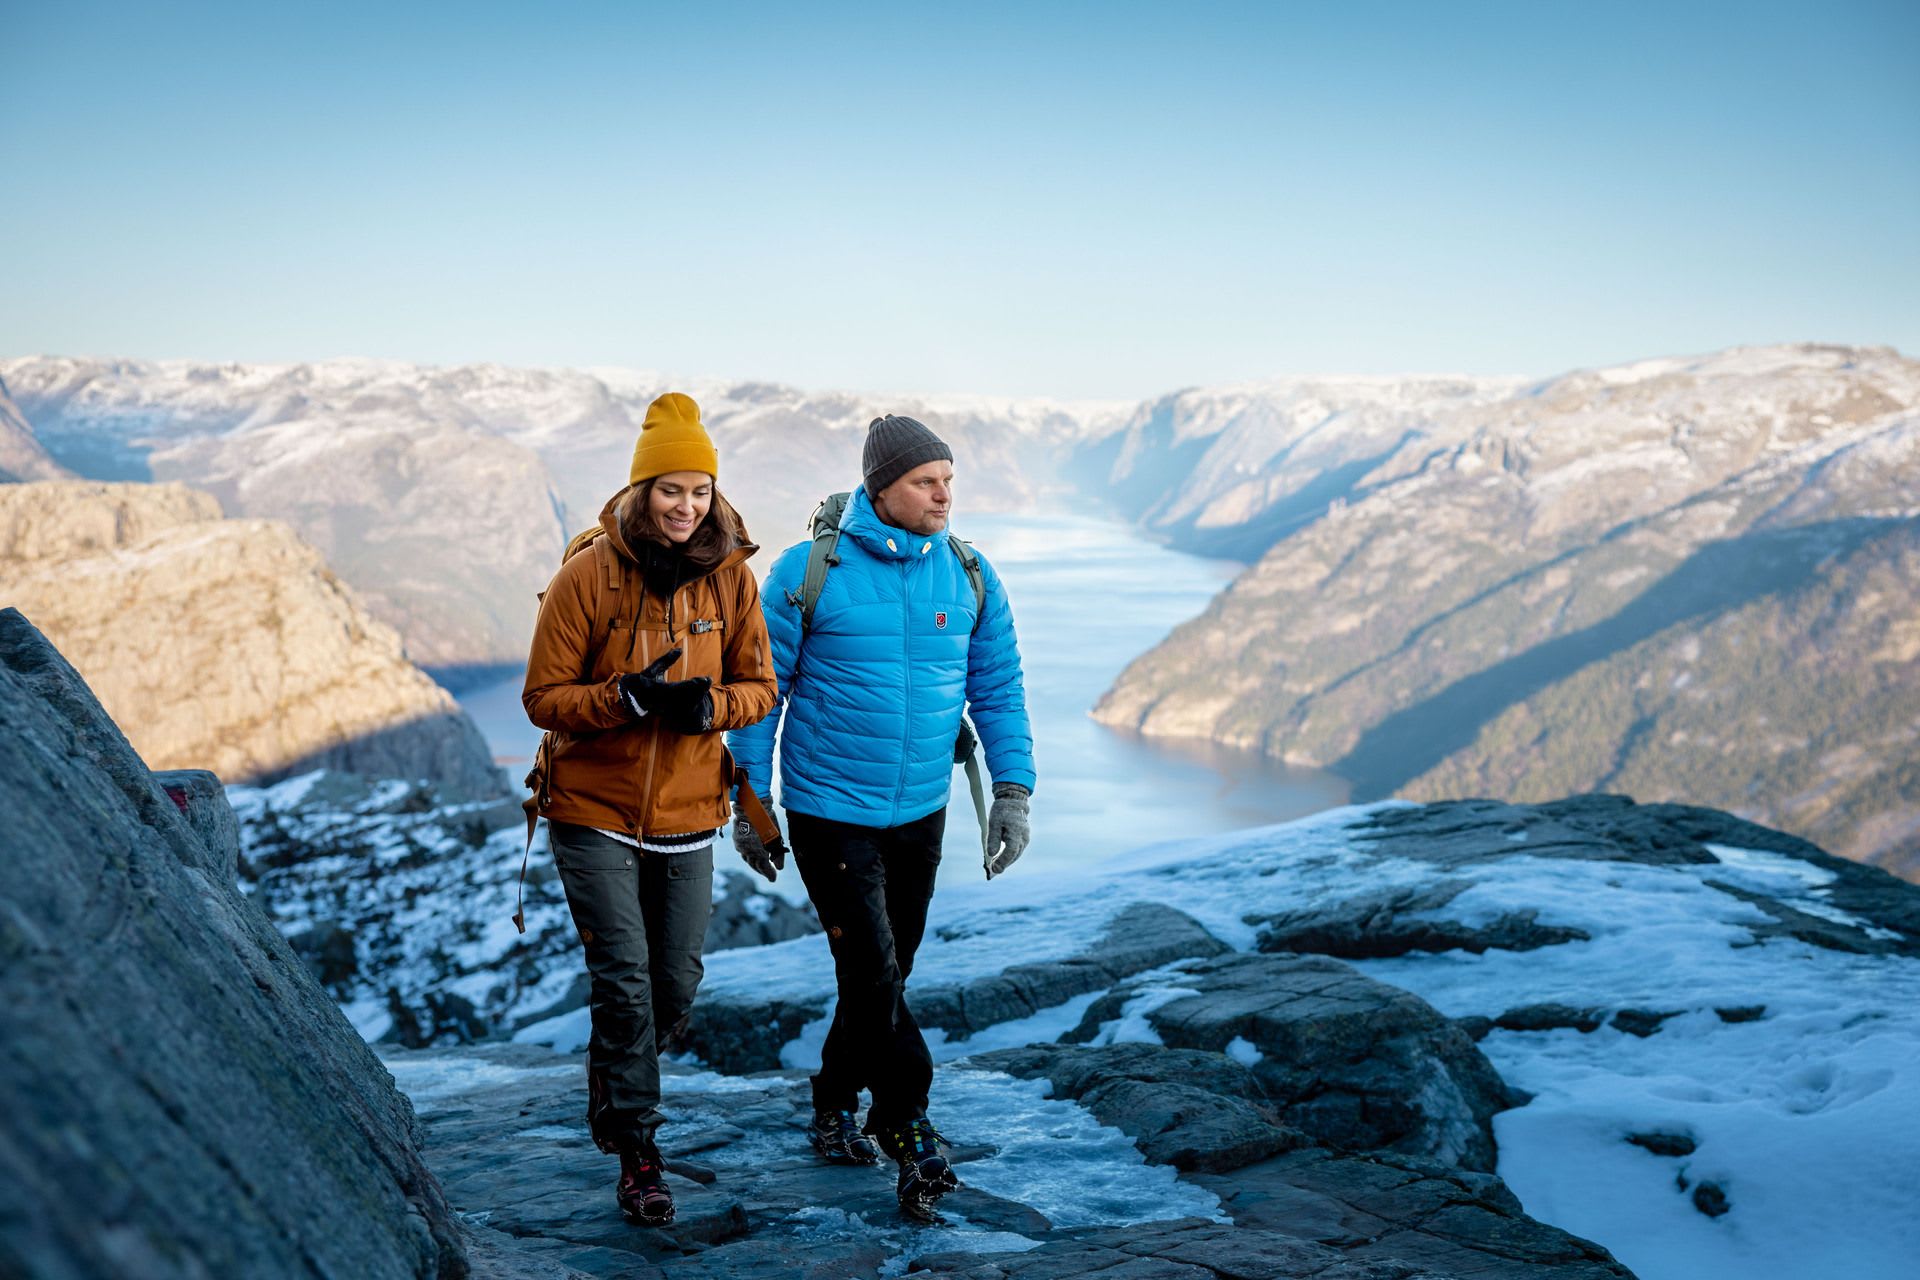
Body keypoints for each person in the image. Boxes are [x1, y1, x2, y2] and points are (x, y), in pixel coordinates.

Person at [728, 413, 1035, 1221]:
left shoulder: (967, 573)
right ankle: (908, 1129)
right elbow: (761, 697)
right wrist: (749, 805)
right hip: (831, 812)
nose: (944, 497)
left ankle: (832, 1100)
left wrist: (1013, 793)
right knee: (874, 971)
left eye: (948, 481)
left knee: (881, 976)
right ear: (880, 490)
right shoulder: (808, 572)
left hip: (921, 811)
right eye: (926, 483)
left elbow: (998, 688)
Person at [522, 392, 776, 1226]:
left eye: (699, 491)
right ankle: (638, 1151)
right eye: (671, 490)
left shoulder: (732, 575)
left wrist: (711, 709)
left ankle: (615, 1090)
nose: (687, 507)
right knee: (626, 985)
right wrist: (624, 699)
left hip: (688, 814)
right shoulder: (587, 575)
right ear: (641, 490)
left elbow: (761, 687)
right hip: (591, 806)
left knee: (674, 988)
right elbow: (542, 698)